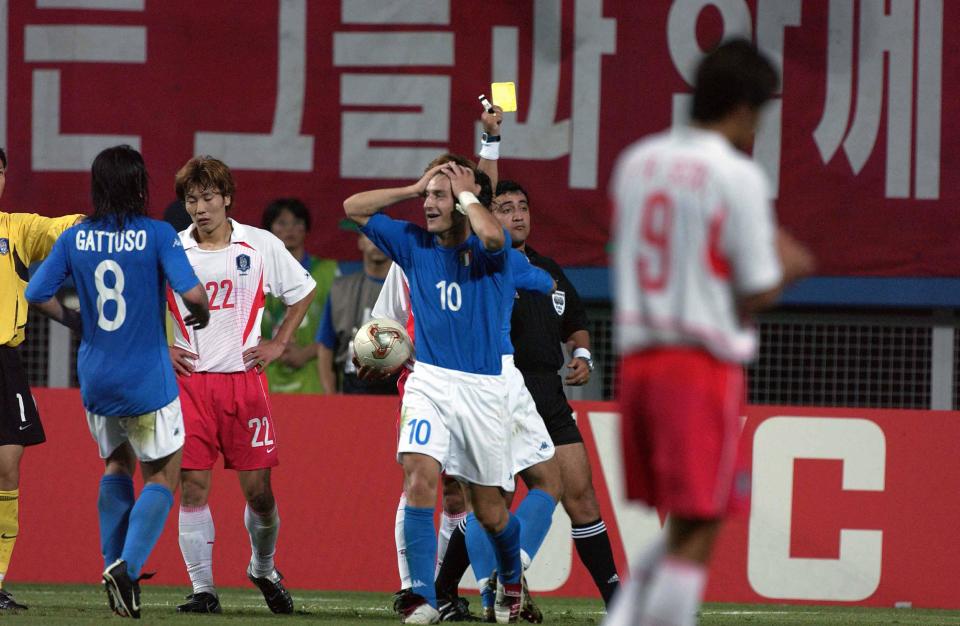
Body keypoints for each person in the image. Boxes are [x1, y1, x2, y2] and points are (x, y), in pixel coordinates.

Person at [605, 40, 814, 626]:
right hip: (697, 364)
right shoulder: (735, 174)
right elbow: (756, 284)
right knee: (699, 523)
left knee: (685, 522)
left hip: (639, 364)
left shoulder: (637, 161)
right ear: (745, 108)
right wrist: (792, 267)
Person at [345, 152, 557, 624]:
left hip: (483, 391)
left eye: (439, 196)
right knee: (418, 475)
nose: (428, 204)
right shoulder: (414, 245)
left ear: (464, 202)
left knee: (490, 512)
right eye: (429, 196)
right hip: (430, 383)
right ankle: (421, 596)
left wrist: (466, 193)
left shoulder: (495, 254)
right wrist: (414, 186)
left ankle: (509, 579)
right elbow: (354, 207)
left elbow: (490, 234)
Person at [25, 144, 210, 619]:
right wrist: (201, 312)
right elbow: (192, 293)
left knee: (115, 467)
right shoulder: (157, 234)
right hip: (146, 377)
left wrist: (76, 321)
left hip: (96, 378)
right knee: (164, 475)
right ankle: (127, 567)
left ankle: (112, 565)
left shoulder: (75, 237)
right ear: (140, 185)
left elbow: (36, 293)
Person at [166, 156, 316, 615]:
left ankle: (263, 567)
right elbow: (144, 300)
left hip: (244, 384)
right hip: (190, 385)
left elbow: (303, 290)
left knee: (260, 495)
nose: (200, 208)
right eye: (192, 200)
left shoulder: (260, 243)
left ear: (227, 198)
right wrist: (161, 346)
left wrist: (278, 342)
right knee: (192, 487)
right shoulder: (172, 249)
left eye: (209, 197)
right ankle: (203, 589)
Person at [490, 179, 621, 606]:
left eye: (523, 206)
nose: (518, 214)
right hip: (500, 392)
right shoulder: (484, 268)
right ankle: (456, 591)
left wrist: (581, 351)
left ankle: (616, 600)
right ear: (488, 217)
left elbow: (575, 319)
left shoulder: (548, 270)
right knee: (493, 501)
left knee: (581, 495)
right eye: (505, 207)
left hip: (547, 392)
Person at [0, 148, 84, 611]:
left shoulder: (15, 228)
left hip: (4, 361)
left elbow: (62, 226)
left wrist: (103, 224)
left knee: (8, 466)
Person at [261, 198, 339, 393]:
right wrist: (272, 347)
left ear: (306, 229)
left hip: (314, 375)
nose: (290, 230)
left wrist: (306, 353)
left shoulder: (328, 272)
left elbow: (342, 330)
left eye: (297, 223)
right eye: (282, 223)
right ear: (269, 230)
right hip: (266, 374)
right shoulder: (255, 274)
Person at [315, 227, 395, 394]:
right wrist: (330, 397)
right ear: (360, 242)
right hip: (353, 382)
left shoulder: (410, 289)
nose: (377, 243)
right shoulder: (341, 289)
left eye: (383, 237)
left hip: (398, 382)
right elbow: (325, 345)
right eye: (370, 237)